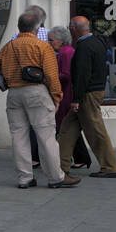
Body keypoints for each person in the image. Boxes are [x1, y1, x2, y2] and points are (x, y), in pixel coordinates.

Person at [0, 10, 78, 190]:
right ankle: (56, 177)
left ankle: (25, 177)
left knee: (19, 136)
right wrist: (57, 97)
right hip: (36, 92)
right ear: (37, 28)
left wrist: (8, 80)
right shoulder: (42, 46)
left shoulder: (8, 47)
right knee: (46, 136)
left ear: (19, 27)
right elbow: (51, 75)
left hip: (14, 93)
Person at [57, 16, 116, 178]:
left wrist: (76, 99)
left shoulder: (84, 47)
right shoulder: (97, 42)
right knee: (67, 129)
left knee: (95, 129)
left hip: (87, 94)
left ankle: (109, 167)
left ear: (73, 29)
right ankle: (60, 165)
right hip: (94, 90)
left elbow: (82, 75)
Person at [48, 25, 91, 170]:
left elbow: (66, 75)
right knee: (67, 128)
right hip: (66, 93)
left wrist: (50, 77)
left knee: (65, 128)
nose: (49, 42)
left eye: (51, 40)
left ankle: (79, 157)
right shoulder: (65, 52)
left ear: (60, 41)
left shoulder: (66, 53)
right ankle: (79, 157)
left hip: (66, 94)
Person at [13, 4, 49, 169]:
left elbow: (0, 66)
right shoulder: (49, 37)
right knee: (45, 128)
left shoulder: (14, 39)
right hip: (41, 87)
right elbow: (51, 69)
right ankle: (51, 168)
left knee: (21, 131)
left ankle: (26, 170)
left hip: (17, 88)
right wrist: (56, 93)